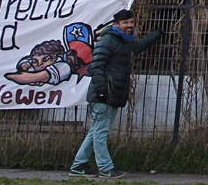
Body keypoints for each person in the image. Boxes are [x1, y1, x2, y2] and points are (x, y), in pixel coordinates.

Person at [69, 10, 162, 179]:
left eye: (131, 22)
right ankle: (105, 168)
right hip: (104, 94)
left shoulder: (124, 42)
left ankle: (79, 165)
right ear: (116, 24)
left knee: (96, 130)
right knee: (101, 131)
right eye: (125, 23)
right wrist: (102, 90)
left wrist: (156, 35)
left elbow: (138, 46)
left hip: (112, 93)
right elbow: (96, 66)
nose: (129, 25)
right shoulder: (108, 40)